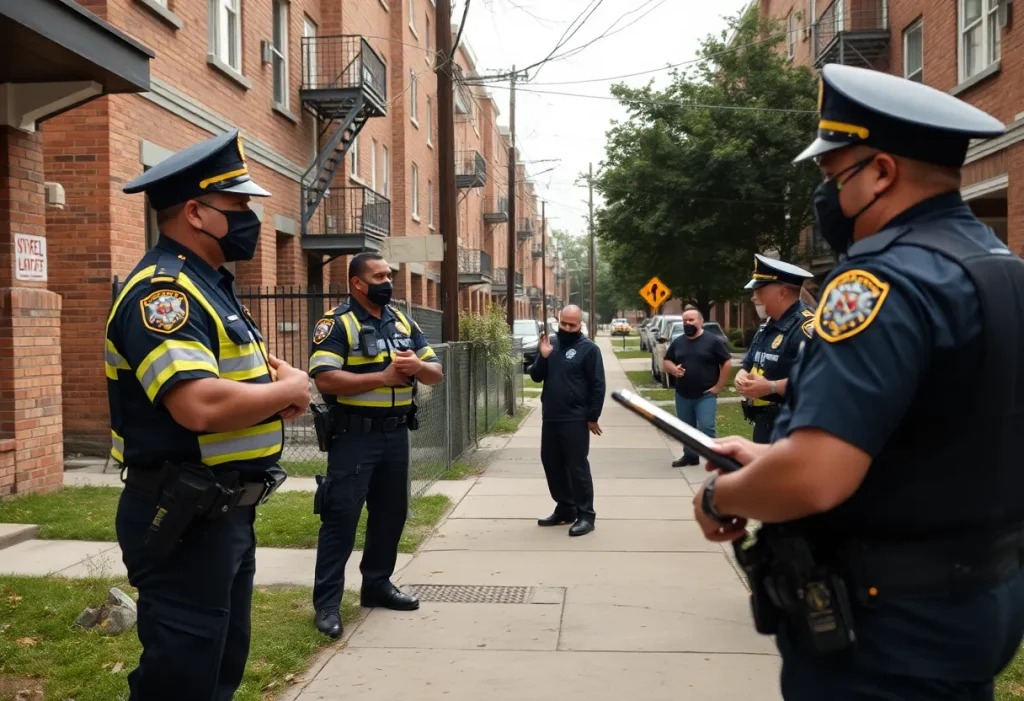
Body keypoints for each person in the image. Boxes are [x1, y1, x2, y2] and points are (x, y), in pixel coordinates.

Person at [692, 63, 1024, 700]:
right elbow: (943, 433)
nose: (828, 198)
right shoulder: (998, 267)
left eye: (834, 177)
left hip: (891, 621)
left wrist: (719, 500)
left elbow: (816, 477)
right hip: (980, 594)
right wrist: (770, 455)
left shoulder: (879, 283)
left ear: (881, 172)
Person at [109, 129, 312, 701]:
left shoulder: (211, 287)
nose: (249, 218)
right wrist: (292, 387)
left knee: (218, 668)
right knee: (181, 680)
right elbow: (199, 403)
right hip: (183, 515)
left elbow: (248, 388)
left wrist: (282, 394)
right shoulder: (163, 294)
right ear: (195, 212)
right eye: (239, 206)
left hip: (223, 514)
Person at [308, 252, 443, 638]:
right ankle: (328, 603)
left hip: (396, 434)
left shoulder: (402, 320)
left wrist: (418, 368)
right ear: (357, 283)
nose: (388, 282)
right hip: (354, 436)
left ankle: (377, 585)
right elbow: (326, 378)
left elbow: (435, 372)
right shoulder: (336, 324)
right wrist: (383, 377)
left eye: (389, 275)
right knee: (341, 519)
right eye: (380, 276)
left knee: (390, 514)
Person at [529, 305, 605, 537]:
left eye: (572, 325)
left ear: (580, 324)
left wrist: (592, 416)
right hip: (551, 415)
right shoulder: (550, 343)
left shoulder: (589, 349)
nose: (567, 328)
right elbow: (535, 376)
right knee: (551, 462)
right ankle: (565, 508)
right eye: (564, 323)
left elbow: (597, 385)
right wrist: (543, 357)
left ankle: (586, 514)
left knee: (576, 465)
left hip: (576, 417)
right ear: (559, 321)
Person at [735, 255, 815, 444]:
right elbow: (749, 361)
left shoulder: (806, 328)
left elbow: (817, 379)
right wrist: (741, 374)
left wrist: (771, 387)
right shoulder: (767, 326)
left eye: (759, 290)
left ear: (782, 292)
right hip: (765, 423)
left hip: (793, 427)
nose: (753, 297)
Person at [662, 305, 732, 467]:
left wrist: (718, 387)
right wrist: (673, 369)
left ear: (700, 322)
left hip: (705, 394)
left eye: (691, 320)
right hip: (683, 393)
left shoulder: (713, 341)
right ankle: (690, 456)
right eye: (684, 320)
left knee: (707, 427)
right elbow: (667, 360)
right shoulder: (678, 342)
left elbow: (727, 363)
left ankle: (716, 458)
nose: (687, 323)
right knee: (686, 428)